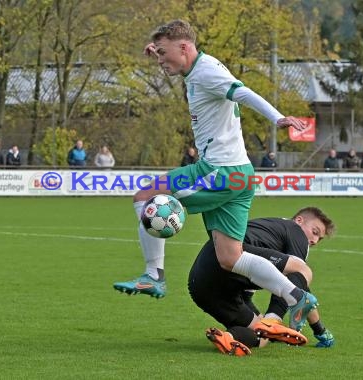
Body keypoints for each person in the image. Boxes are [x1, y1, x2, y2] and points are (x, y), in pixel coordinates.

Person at [113, 20, 315, 328]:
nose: (160, 62)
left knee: (146, 196)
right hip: (240, 176)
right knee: (229, 257)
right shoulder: (195, 68)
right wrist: (158, 50)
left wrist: (278, 118)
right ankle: (294, 295)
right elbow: (177, 57)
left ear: (184, 48)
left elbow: (242, 92)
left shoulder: (207, 71)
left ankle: (154, 276)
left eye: (164, 54)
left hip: (219, 171)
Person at [190, 207, 336, 355]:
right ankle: (273, 320)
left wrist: (258, 318)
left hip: (201, 285)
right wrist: (319, 329)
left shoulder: (269, 232)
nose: (315, 240)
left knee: (262, 336)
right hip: (230, 254)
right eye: (315, 232)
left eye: (320, 238)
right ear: (299, 220)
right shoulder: (295, 230)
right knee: (303, 270)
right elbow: (298, 282)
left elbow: (249, 295)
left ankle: (229, 337)